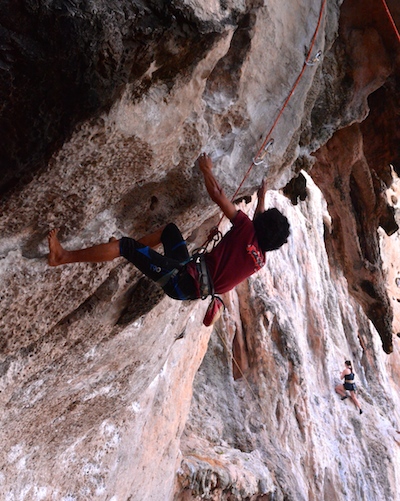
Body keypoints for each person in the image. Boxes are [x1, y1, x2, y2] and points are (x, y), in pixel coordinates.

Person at [48, 153, 290, 308]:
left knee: (125, 246)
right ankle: (129, 251)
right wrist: (261, 199)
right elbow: (259, 227)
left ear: (260, 226)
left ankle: (62, 257)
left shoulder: (246, 228)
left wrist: (205, 169)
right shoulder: (260, 260)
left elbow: (218, 196)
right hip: (191, 280)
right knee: (170, 231)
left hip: (180, 280)